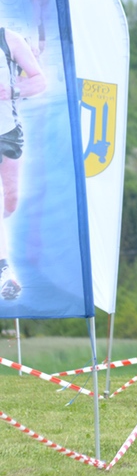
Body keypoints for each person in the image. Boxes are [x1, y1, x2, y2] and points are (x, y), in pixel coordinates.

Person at [0, 26, 45, 300]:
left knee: (10, 201)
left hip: (7, 132)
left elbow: (40, 81)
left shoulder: (9, 39)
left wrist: (13, 90)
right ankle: (4, 271)